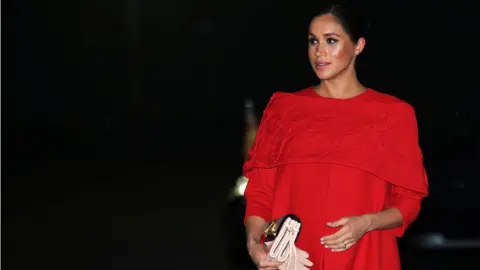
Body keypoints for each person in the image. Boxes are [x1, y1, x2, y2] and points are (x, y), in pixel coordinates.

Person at [243, 3, 429, 270]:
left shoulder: (393, 114)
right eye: (313, 41)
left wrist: (366, 223)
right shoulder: (284, 109)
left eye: (331, 41)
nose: (319, 51)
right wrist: (254, 244)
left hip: (365, 256)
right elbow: (260, 193)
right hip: (293, 259)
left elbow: (408, 202)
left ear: (358, 45)